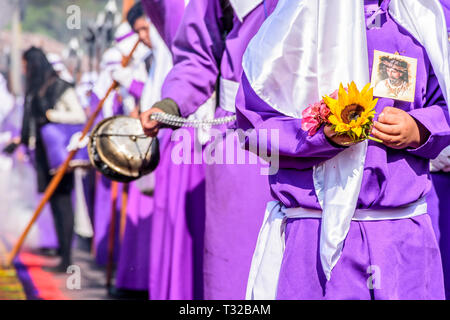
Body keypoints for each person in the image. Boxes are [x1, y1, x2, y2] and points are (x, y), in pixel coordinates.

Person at [237, 0, 449, 299]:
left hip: (401, 237)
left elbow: (445, 102)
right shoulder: (293, 20)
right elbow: (254, 125)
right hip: (315, 233)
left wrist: (420, 128)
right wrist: (319, 136)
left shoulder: (421, 15)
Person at [139, 0, 279, 299]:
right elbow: (197, 58)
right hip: (241, 144)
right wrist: (171, 103)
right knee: (236, 277)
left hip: (333, 139)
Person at [20, 47, 87, 272]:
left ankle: (67, 257)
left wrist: (52, 116)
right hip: (43, 153)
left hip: (59, 154)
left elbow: (80, 116)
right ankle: (62, 252)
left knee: (63, 203)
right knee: (54, 204)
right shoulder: (35, 89)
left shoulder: (59, 86)